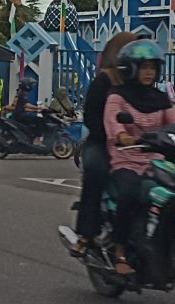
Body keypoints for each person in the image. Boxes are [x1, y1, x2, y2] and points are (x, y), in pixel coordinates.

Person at [104, 39, 175, 276]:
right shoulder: (117, 97)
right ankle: (120, 252)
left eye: (152, 67)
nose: (149, 72)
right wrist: (124, 137)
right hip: (125, 160)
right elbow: (112, 122)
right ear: (131, 69)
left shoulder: (159, 98)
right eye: (144, 67)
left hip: (156, 162)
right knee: (130, 195)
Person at [70, 31, 137, 256]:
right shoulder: (104, 81)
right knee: (96, 172)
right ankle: (85, 234)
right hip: (100, 143)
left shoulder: (139, 81)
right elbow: (91, 117)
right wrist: (112, 137)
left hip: (135, 144)